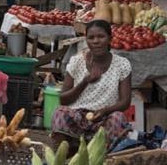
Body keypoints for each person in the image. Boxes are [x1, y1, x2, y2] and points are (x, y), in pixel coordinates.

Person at [51, 20, 132, 150]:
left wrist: (105, 110)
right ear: (86, 40)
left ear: (110, 39)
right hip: (78, 117)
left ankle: (104, 155)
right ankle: (65, 153)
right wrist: (84, 82)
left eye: (101, 36)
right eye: (91, 37)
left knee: (118, 117)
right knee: (60, 113)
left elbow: (125, 102)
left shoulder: (122, 64)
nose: (96, 41)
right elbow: (63, 99)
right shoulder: (77, 62)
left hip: (104, 117)